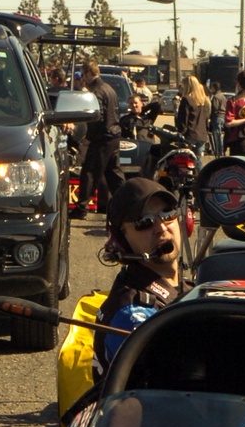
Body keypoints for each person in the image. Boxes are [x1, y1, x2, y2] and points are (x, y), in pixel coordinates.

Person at [93, 177, 188, 377]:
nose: (161, 228)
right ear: (122, 241)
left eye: (167, 214)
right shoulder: (131, 314)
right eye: (145, 223)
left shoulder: (185, 285)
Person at [70, 60, 123, 219]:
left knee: (90, 172)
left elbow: (97, 117)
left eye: (83, 74)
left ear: (88, 73)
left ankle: (81, 208)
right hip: (114, 135)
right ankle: (126, 202)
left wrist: (89, 138)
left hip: (102, 137)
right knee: (114, 173)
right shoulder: (109, 89)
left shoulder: (97, 92)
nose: (83, 79)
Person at [175, 73, 210, 163]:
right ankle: (201, 176)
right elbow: (206, 119)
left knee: (184, 161)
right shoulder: (204, 100)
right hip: (202, 134)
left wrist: (180, 134)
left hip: (189, 135)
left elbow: (183, 119)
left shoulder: (186, 99)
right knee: (197, 161)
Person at [208, 80, 227, 158]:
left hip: (217, 118)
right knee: (221, 136)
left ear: (214, 88)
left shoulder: (216, 97)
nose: (210, 90)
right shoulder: (223, 96)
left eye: (211, 88)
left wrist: (210, 116)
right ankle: (222, 151)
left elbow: (215, 108)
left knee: (217, 137)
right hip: (223, 117)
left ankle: (218, 154)